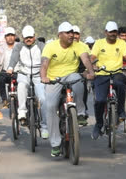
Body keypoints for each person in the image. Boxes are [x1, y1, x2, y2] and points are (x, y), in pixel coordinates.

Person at [40, 21, 95, 157]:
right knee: (50, 107)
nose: (71, 35)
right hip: (54, 79)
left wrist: (91, 72)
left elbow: (85, 60)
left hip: (71, 75)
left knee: (78, 80)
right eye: (67, 33)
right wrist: (44, 77)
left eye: (72, 32)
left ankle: (81, 113)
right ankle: (55, 144)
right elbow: (44, 64)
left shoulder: (78, 46)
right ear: (60, 35)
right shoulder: (50, 46)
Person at [90, 21, 126, 140]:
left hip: (117, 72)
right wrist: (93, 65)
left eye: (115, 32)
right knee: (100, 100)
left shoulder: (121, 43)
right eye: (110, 31)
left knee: (120, 83)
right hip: (102, 74)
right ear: (106, 32)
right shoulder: (99, 43)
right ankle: (98, 125)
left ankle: (120, 111)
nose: (113, 34)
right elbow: (92, 57)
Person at [7, 25, 48, 138]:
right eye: (26, 37)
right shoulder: (19, 46)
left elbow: (46, 59)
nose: (28, 39)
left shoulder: (41, 46)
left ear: (34, 36)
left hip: (38, 74)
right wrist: (10, 67)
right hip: (23, 73)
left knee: (43, 98)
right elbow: (14, 58)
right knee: (21, 86)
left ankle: (44, 127)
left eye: (30, 37)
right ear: (23, 37)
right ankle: (22, 112)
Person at [0, 27, 18, 112]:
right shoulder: (0, 48)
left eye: (12, 35)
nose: (10, 37)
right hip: (5, 72)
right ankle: (4, 99)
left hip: (18, 72)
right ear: (5, 37)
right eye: (8, 35)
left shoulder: (20, 46)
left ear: (15, 36)